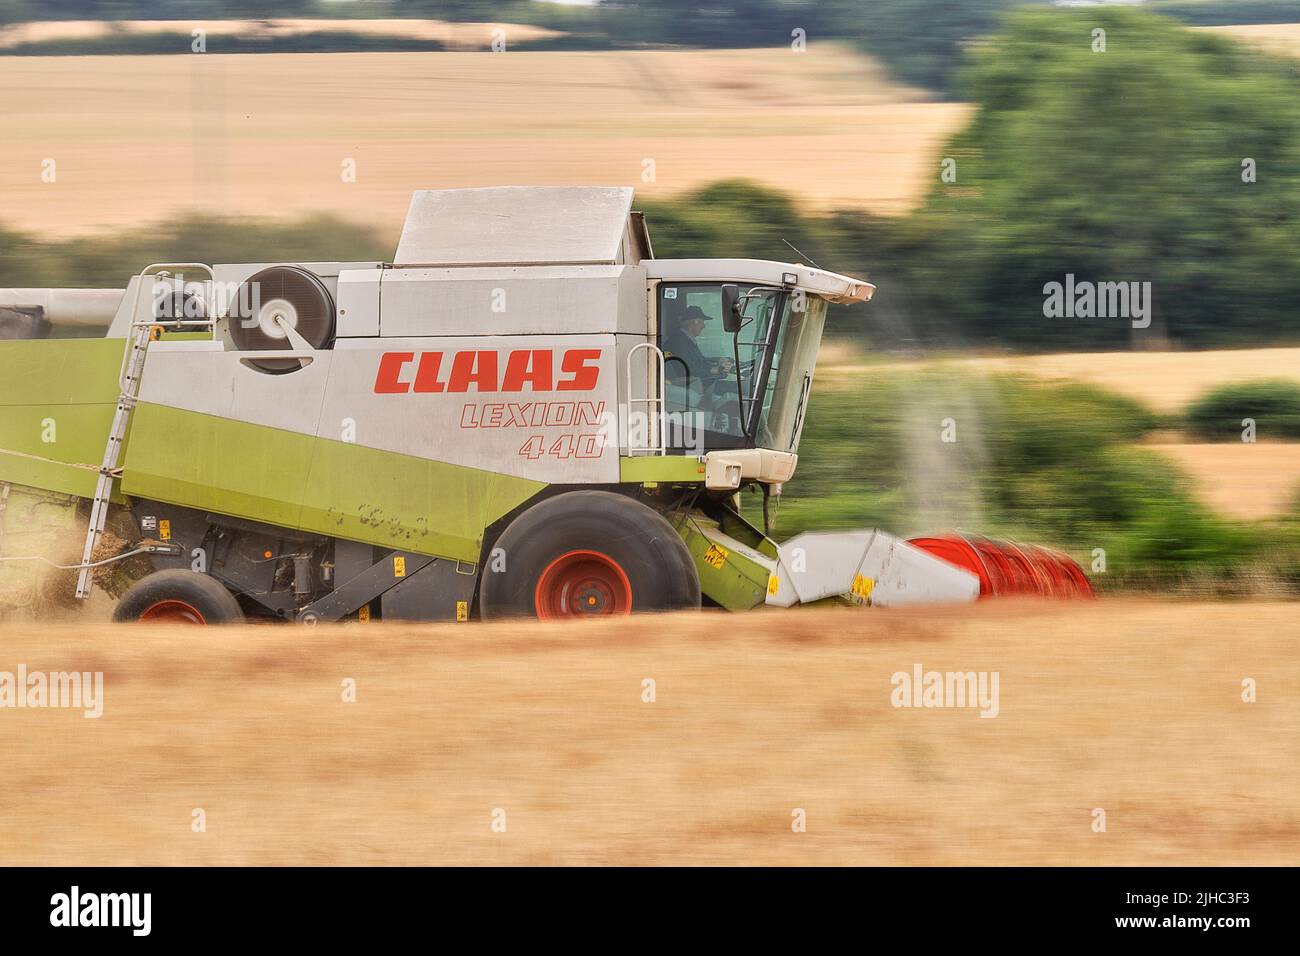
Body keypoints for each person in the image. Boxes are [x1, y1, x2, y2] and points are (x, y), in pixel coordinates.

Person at [663, 304, 734, 388]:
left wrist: (719, 360)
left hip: (697, 383)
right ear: (693, 322)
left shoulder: (685, 339)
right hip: (691, 387)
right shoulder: (678, 342)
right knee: (735, 389)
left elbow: (698, 361)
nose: (704, 326)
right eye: (702, 322)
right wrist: (715, 369)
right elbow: (687, 369)